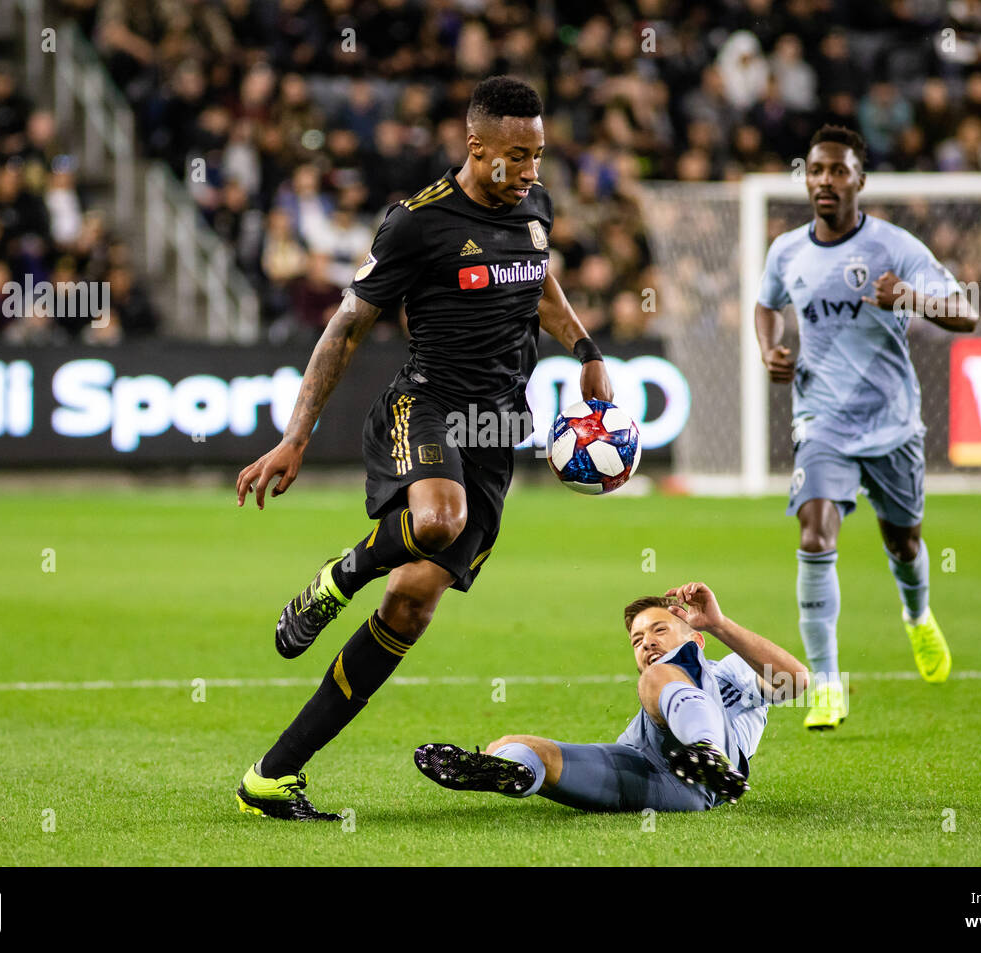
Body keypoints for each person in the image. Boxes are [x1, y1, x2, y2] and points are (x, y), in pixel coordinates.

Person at [232, 76, 613, 820]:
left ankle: (271, 777)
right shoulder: (417, 223)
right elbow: (344, 330)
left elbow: (537, 282)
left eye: (539, 154)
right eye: (517, 155)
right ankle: (338, 578)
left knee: (409, 606)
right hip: (426, 405)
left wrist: (587, 347)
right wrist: (295, 437)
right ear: (476, 148)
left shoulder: (534, 207)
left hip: (498, 431)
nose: (533, 170)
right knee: (436, 520)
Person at [754, 125, 979, 731]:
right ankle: (827, 684)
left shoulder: (894, 247)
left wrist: (909, 296)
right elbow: (767, 304)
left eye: (838, 171)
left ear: (859, 180)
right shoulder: (786, 251)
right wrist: (771, 350)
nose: (825, 181)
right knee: (814, 534)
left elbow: (967, 313)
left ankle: (918, 614)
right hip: (820, 420)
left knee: (903, 541)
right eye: (816, 171)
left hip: (893, 424)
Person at [415, 582, 809, 812]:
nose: (647, 643)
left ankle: (705, 751)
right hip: (651, 776)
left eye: (659, 631)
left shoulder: (725, 670)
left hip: (713, 781)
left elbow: (797, 682)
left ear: (696, 638)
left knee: (659, 677)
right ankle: (504, 772)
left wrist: (720, 624)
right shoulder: (650, 694)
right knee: (514, 746)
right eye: (637, 639)